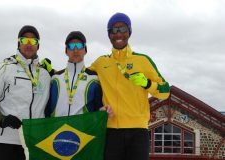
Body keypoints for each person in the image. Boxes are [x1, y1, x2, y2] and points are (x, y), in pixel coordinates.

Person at [88, 13, 170, 160]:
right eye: (114, 30)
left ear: (129, 32)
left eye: (123, 28)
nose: (118, 33)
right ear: (109, 35)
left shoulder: (142, 60)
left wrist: (147, 83)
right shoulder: (101, 62)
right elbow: (81, 76)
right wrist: (51, 72)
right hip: (111, 131)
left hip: (138, 132)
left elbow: (165, 92)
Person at [0, 25, 51, 160]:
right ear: (19, 43)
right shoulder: (4, 68)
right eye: (24, 40)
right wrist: (2, 120)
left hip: (36, 142)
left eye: (33, 41)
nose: (29, 44)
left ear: (38, 45)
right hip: (8, 142)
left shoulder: (45, 74)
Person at [45, 31, 111, 117]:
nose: (75, 50)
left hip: (83, 129)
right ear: (66, 51)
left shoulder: (94, 78)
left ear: (85, 50)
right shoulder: (55, 78)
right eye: (71, 46)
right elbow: (47, 108)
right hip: (59, 129)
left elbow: (98, 108)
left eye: (79, 46)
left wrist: (102, 110)